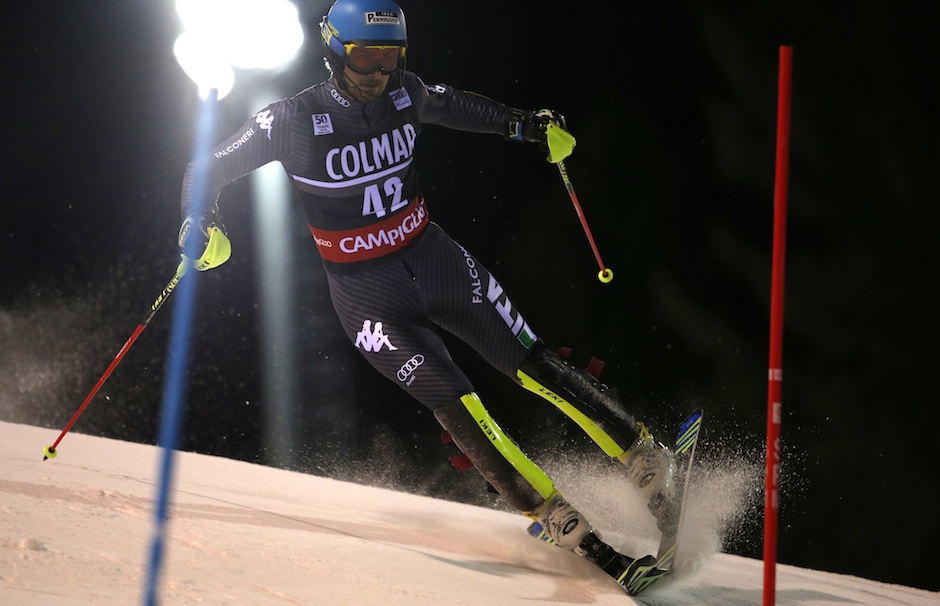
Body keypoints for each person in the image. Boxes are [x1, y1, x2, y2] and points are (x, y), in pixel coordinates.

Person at [178, 0, 678, 589]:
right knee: (460, 404)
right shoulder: (290, 119)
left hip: (432, 259)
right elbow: (206, 167)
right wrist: (199, 222)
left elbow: (458, 106)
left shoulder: (402, 92)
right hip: (368, 298)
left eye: (389, 56)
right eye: (365, 56)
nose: (377, 71)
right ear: (334, 50)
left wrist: (528, 125)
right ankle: (557, 518)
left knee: (530, 362)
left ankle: (643, 458)